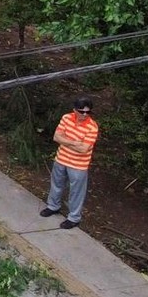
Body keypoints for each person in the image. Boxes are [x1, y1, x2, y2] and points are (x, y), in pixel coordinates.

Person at [40, 96, 99, 229]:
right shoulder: (66, 118)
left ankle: (74, 218)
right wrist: (74, 143)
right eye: (81, 111)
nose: (85, 114)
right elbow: (56, 137)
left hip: (78, 165)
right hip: (61, 159)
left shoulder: (92, 127)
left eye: (88, 112)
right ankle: (53, 206)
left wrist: (65, 140)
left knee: (76, 192)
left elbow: (84, 149)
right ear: (74, 110)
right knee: (57, 184)